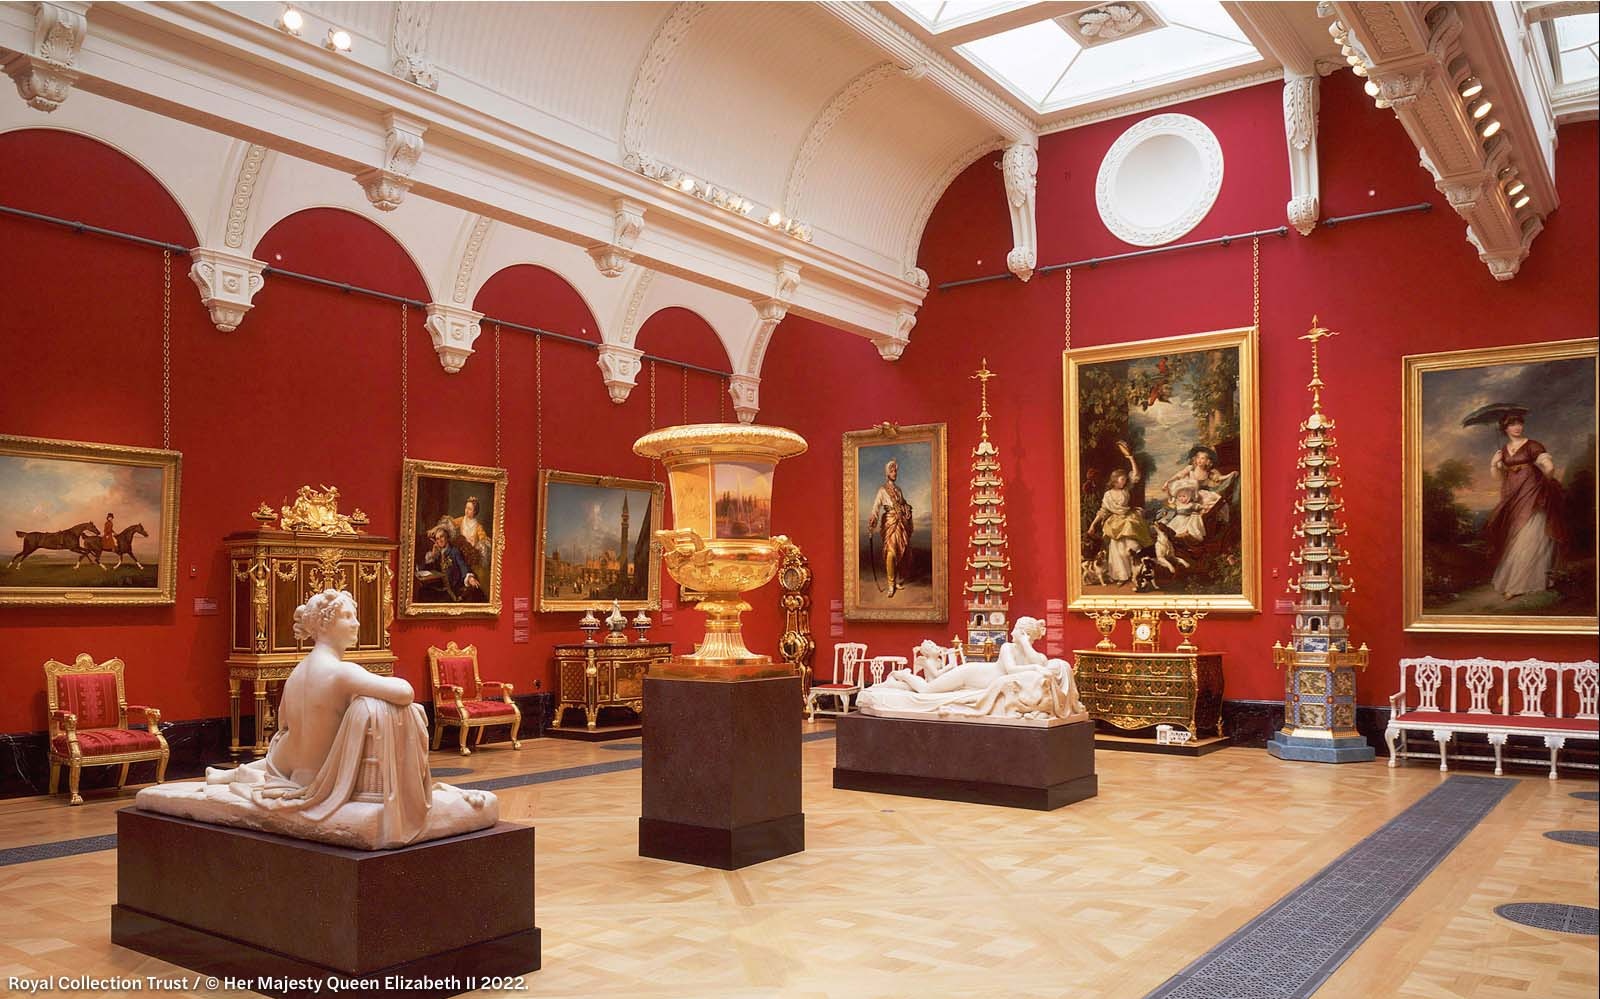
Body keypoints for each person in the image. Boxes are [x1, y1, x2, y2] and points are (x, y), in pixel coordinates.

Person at [1485, 412, 1565, 599]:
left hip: (1532, 492)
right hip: (1512, 493)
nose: (1518, 427)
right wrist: (1494, 464)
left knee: (1530, 533)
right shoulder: (1503, 450)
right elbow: (1499, 477)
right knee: (1516, 533)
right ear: (1505, 428)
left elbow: (1549, 466)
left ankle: (1519, 583)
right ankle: (1518, 580)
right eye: (1513, 424)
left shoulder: (1533, 445)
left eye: (1519, 423)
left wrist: (1546, 476)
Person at [1086, 442, 1152, 585]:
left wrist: (1130, 458)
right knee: (1117, 551)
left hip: (1129, 519)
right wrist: (1092, 525)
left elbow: (1136, 475)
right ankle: (1122, 576)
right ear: (1115, 480)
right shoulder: (1108, 495)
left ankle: (1136, 573)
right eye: (1122, 479)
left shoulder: (1126, 490)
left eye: (1125, 479)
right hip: (1115, 523)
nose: (1125, 480)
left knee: (1133, 548)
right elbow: (1103, 511)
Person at [867, 459, 913, 597]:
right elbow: (876, 507)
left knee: (901, 552)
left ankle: (898, 580)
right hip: (890, 522)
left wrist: (907, 509)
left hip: (901, 523)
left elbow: (904, 503)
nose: (895, 473)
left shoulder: (898, 489)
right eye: (892, 471)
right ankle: (890, 585)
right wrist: (873, 518)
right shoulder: (882, 490)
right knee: (891, 553)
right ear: (887, 473)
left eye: (895, 471)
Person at [420, 526, 481, 601]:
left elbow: (462, 565)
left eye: (442, 537)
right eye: (437, 539)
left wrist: (470, 578)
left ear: (447, 537)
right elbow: (425, 569)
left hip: (452, 589)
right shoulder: (437, 553)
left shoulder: (454, 551)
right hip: (439, 587)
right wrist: (432, 555)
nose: (440, 540)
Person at [452, 496, 492, 571]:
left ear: (475, 511)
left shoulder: (478, 526)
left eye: (470, 509)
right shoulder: (461, 520)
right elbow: (450, 524)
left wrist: (478, 544)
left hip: (470, 556)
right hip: (460, 552)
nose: (466, 511)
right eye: (466, 508)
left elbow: (483, 540)